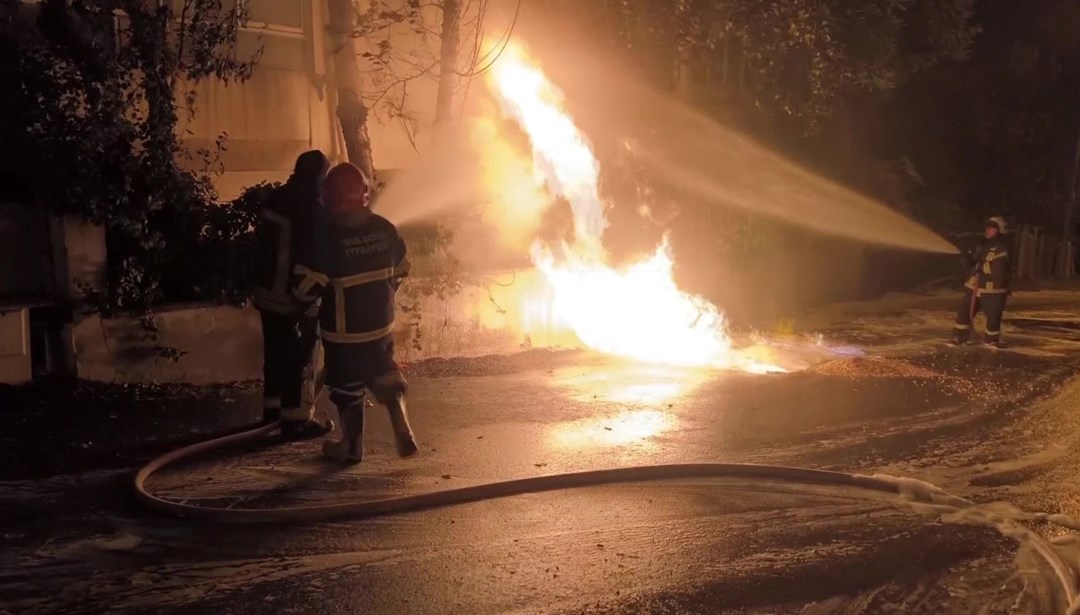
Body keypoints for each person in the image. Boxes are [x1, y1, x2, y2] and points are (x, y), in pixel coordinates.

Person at [291, 162, 418, 463]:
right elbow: (401, 271)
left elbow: (306, 288)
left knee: (347, 388)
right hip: (380, 327)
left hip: (343, 333)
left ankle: (351, 446)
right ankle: (400, 418)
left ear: (328, 197)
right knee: (384, 371)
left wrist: (296, 295)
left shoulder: (327, 237)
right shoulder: (384, 228)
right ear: (364, 193)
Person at [251, 150, 334, 440]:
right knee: (299, 360)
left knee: (274, 356)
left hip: (266, 293)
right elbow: (311, 257)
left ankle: (271, 414)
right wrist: (307, 299)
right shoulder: (310, 208)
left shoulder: (277, 198)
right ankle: (296, 421)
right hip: (291, 298)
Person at [951, 216, 1012, 347]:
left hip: (994, 290)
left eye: (992, 228)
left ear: (1000, 230)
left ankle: (992, 340)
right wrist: (966, 258)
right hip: (975, 286)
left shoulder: (1003, 247)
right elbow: (973, 264)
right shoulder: (982, 245)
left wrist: (982, 270)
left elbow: (998, 268)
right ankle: (959, 337)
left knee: (993, 316)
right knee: (964, 311)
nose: (988, 230)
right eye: (987, 228)